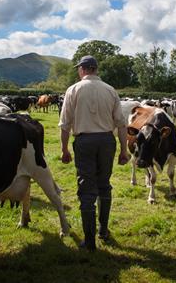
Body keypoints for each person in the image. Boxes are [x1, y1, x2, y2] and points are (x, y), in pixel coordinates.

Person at [59, 55, 130, 251]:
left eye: (78, 69)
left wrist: (64, 149)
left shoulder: (73, 90)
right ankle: (103, 230)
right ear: (96, 69)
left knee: (86, 189)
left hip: (85, 142)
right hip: (107, 141)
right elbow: (121, 124)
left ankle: (89, 241)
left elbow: (65, 125)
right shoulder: (110, 90)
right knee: (104, 185)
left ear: (82, 69)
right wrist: (124, 150)